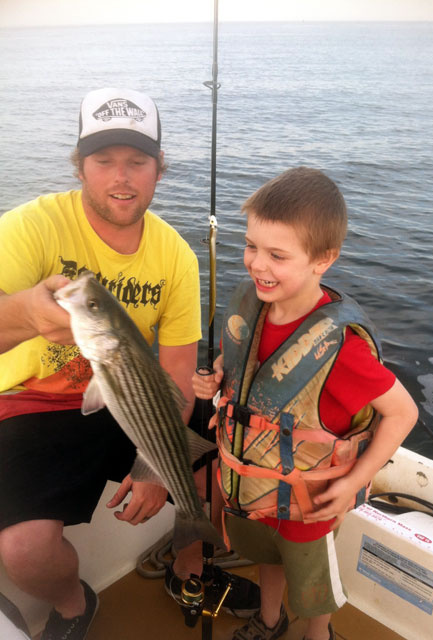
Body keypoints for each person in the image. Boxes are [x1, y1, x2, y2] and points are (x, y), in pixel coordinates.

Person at [0, 87, 259, 640]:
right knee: (22, 550)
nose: (122, 178)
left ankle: (188, 565)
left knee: (225, 434)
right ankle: (74, 604)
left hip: (130, 393)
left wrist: (154, 468)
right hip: (33, 402)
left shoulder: (175, 256)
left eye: (137, 162)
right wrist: (25, 313)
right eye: (104, 161)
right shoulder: (29, 227)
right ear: (80, 166)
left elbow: (175, 374)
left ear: (159, 169)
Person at [192, 167, 419, 640]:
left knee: (314, 587)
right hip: (251, 487)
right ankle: (269, 621)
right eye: (252, 246)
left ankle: (319, 634)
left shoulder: (342, 349)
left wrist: (357, 479)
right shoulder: (251, 308)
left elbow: (403, 412)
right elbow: (241, 364)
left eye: (277, 255)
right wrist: (215, 375)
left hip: (308, 501)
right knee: (267, 560)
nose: (257, 265)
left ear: (323, 260)